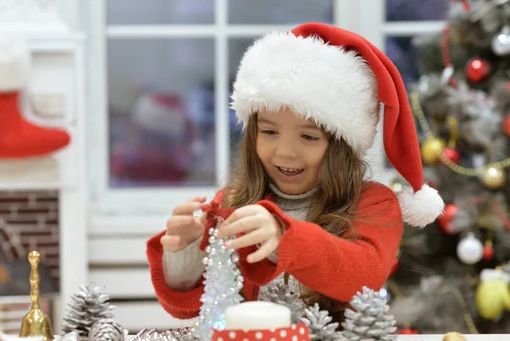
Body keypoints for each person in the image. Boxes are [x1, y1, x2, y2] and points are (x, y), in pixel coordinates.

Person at [146, 22, 445, 323]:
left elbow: (364, 276)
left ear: (340, 145)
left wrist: (286, 239)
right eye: (269, 131)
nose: (285, 152)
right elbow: (189, 307)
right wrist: (186, 254)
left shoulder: (374, 204)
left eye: (309, 137)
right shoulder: (234, 201)